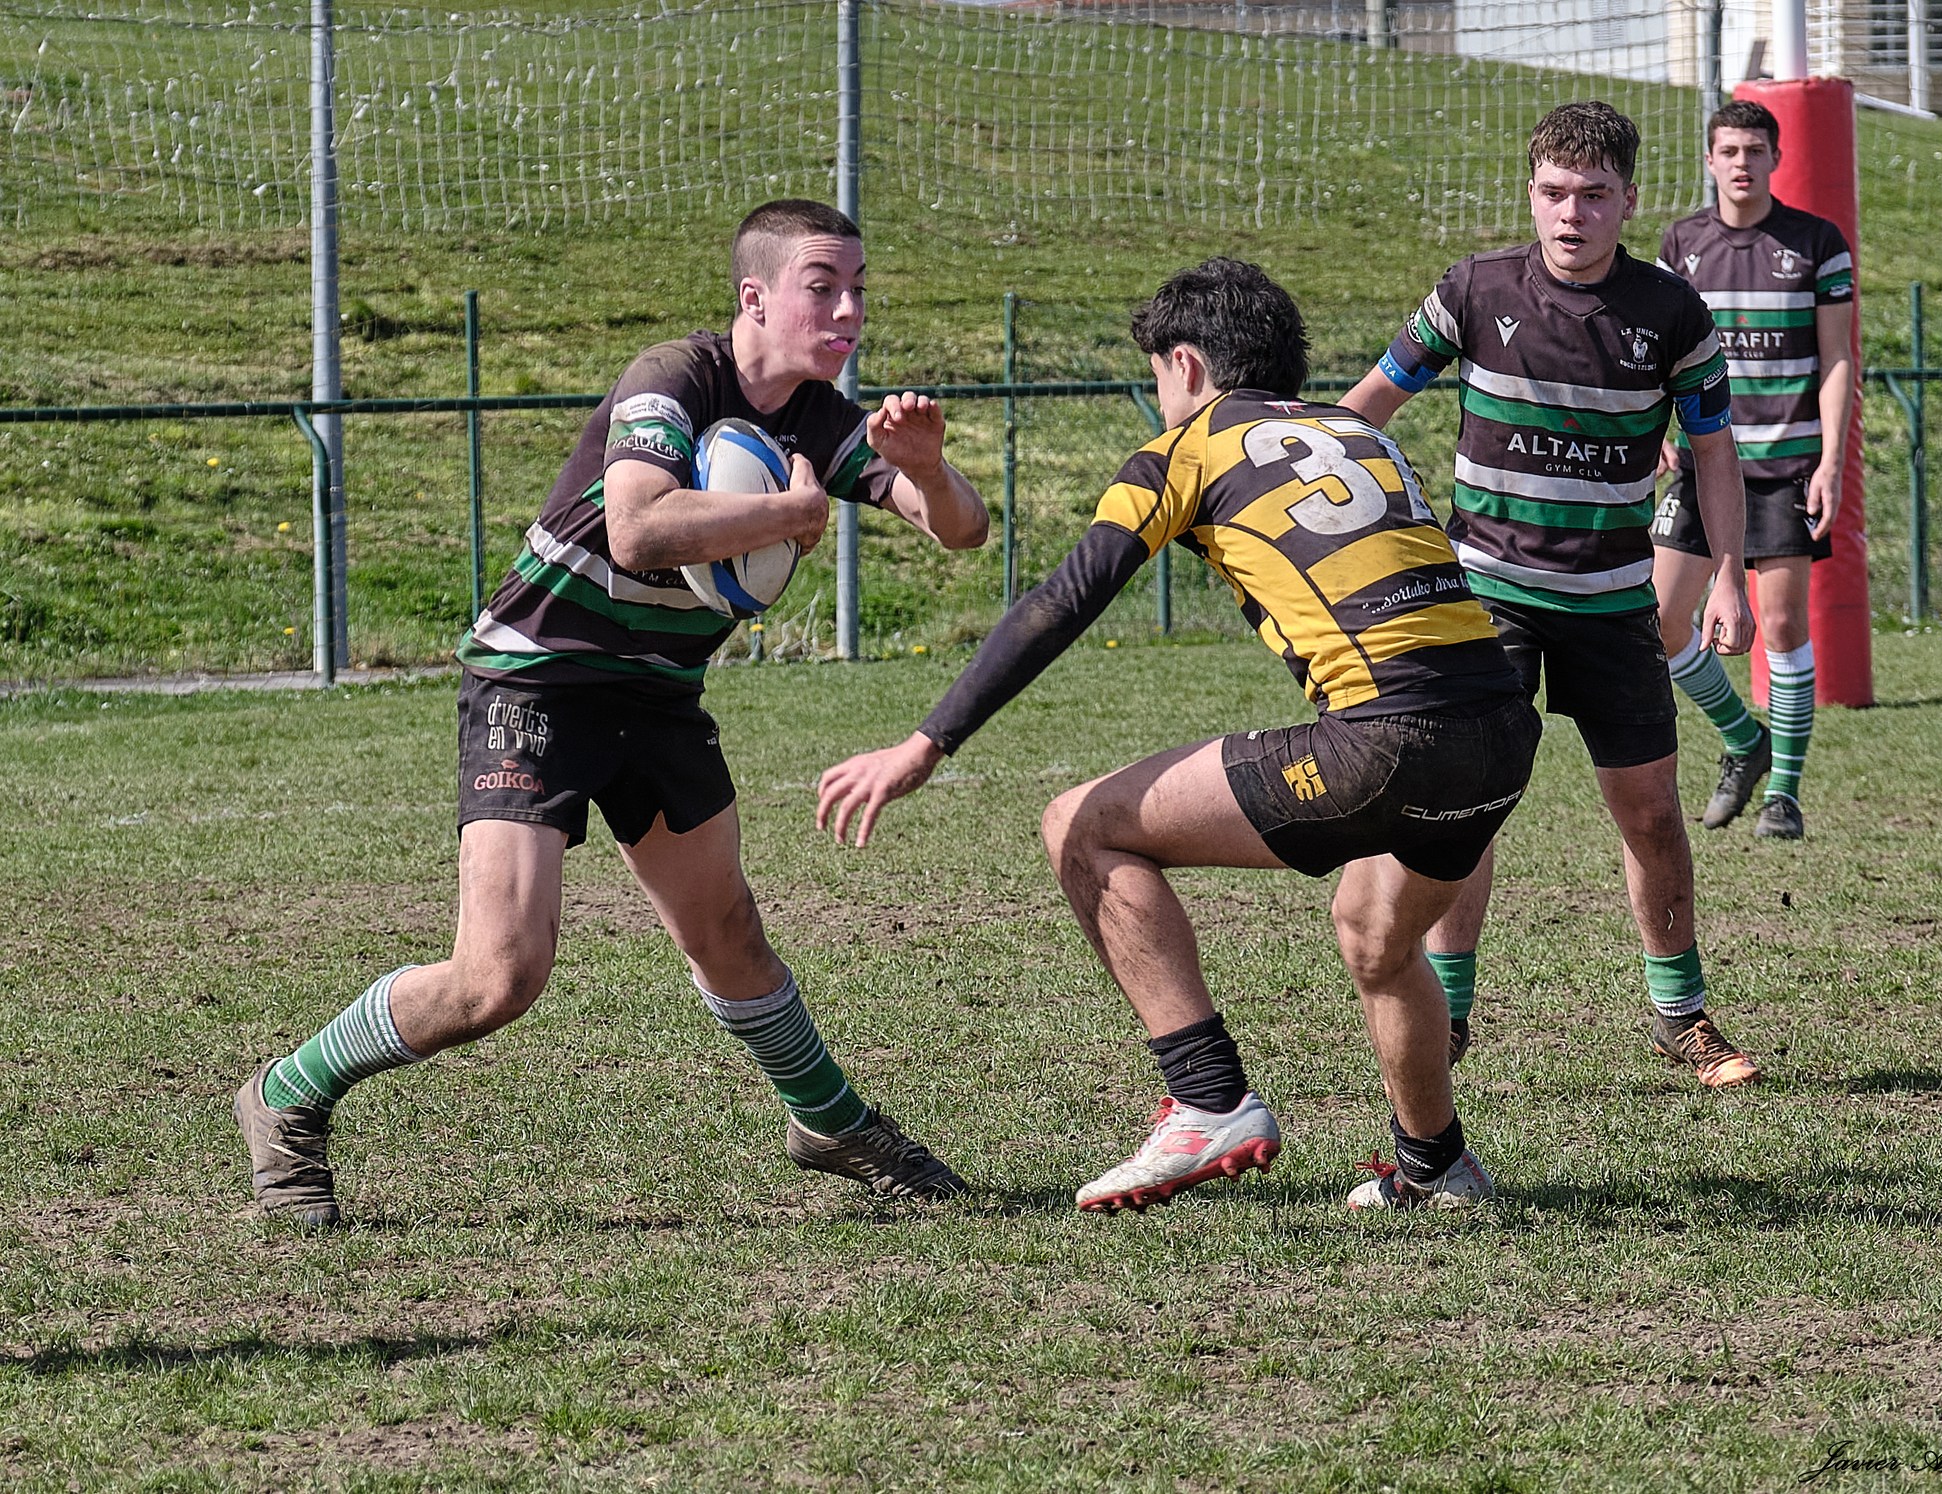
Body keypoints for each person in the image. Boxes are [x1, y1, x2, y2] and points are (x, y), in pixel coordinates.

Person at [233, 199, 991, 1228]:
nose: (849, 308)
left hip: (657, 694)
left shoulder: (819, 418)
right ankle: (285, 1095)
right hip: (535, 680)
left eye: (859, 287)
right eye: (824, 286)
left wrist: (928, 467)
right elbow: (636, 528)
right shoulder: (672, 380)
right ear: (755, 297)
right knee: (499, 975)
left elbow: (959, 532)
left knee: (727, 934)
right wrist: (790, 515)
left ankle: (828, 1122)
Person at [816, 257, 1542, 1213]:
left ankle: (1208, 1100)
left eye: (1158, 375)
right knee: (1377, 941)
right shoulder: (1357, 430)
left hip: (1386, 740)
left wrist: (926, 743)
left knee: (1083, 824)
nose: (1160, 397)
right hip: (1500, 737)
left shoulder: (1189, 449)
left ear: (1188, 366)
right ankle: (1438, 1165)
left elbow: (1064, 599)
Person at [1338, 101, 1764, 1089]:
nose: (1569, 214)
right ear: (1529, 193)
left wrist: (1729, 580)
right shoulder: (1471, 290)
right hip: (1483, 595)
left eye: (1591, 195)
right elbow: (1368, 407)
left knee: (1651, 816)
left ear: (1627, 199)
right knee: (1465, 809)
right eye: (1551, 193)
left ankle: (1678, 1016)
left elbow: (1711, 453)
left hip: (1612, 602)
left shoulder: (1672, 315)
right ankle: (1446, 1015)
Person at [1652, 99, 1857, 842]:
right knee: (1663, 620)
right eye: (1728, 150)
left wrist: (1833, 460)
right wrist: (1654, 434)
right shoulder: (1681, 243)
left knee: (1776, 623)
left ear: (1776, 158)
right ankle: (1745, 739)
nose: (1741, 162)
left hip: (1787, 467)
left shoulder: (1817, 242)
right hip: (1709, 463)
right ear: (1709, 161)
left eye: (1754, 149)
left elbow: (1836, 357)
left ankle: (1786, 795)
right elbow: (1658, 355)